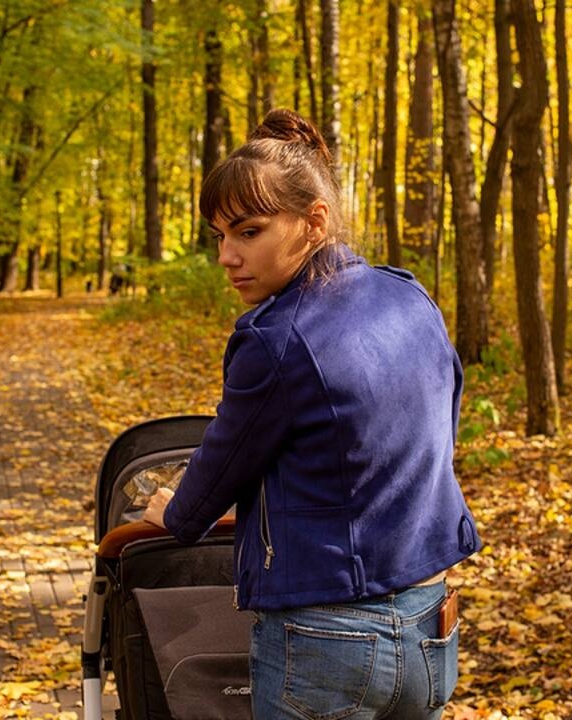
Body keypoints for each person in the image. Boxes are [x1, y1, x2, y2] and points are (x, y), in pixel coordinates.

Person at [143, 108, 481, 719]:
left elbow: (209, 487)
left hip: (326, 640)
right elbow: (434, 428)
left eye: (248, 232)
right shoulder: (409, 295)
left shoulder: (273, 338)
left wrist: (173, 508)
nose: (226, 255)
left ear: (314, 221)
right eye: (219, 236)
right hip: (431, 623)